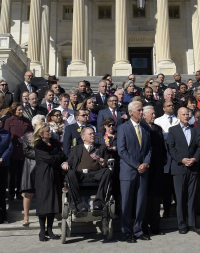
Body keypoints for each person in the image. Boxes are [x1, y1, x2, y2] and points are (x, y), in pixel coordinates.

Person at [117, 101, 152, 243]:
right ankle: (126, 232)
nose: (141, 112)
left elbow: (149, 149)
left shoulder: (145, 128)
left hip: (143, 171)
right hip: (128, 172)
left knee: (141, 202)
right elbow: (122, 150)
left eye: (142, 110)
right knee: (126, 203)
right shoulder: (123, 128)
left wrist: (146, 163)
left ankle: (138, 230)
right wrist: (137, 165)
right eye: (138, 110)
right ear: (131, 112)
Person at [167, 107, 200, 234]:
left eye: (188, 114)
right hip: (179, 167)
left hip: (193, 167)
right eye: (183, 114)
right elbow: (171, 148)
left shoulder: (195, 129)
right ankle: (182, 225)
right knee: (180, 197)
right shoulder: (173, 130)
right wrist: (181, 160)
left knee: (192, 197)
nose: (186, 116)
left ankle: (192, 223)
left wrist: (195, 158)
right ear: (178, 116)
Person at [61, 127, 112, 214]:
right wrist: (64, 164)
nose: (93, 135)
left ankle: (98, 203)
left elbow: (106, 163)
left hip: (95, 173)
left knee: (107, 171)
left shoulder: (101, 148)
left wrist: (103, 163)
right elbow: (69, 162)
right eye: (90, 134)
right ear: (83, 137)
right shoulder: (75, 149)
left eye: (93, 133)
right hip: (80, 174)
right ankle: (78, 204)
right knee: (70, 173)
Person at [33, 123, 66, 241]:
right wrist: (57, 155)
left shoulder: (54, 143)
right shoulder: (39, 145)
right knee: (43, 202)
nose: (50, 132)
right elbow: (50, 159)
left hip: (54, 175)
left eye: (49, 130)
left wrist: (57, 155)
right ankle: (42, 230)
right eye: (47, 131)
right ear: (41, 133)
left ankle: (50, 229)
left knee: (52, 202)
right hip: (43, 175)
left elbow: (62, 154)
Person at [142, 106, 167, 236]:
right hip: (146, 169)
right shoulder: (141, 127)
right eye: (151, 114)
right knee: (146, 200)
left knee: (156, 200)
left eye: (154, 114)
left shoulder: (157, 128)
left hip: (157, 169)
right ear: (144, 115)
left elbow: (162, 147)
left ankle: (156, 227)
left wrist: (163, 160)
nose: (154, 116)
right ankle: (144, 228)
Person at [4, 102, 33, 201]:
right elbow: (6, 135)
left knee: (21, 174)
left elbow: (30, 134)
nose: (21, 111)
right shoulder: (9, 121)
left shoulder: (27, 121)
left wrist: (26, 140)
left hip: (23, 151)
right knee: (12, 174)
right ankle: (11, 193)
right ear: (14, 110)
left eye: (22, 109)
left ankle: (20, 192)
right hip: (13, 151)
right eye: (19, 110)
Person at [20, 122, 37, 226]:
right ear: (35, 124)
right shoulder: (29, 135)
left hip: (42, 166)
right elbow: (26, 150)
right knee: (28, 192)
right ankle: (26, 216)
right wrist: (41, 154)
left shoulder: (47, 134)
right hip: (30, 166)